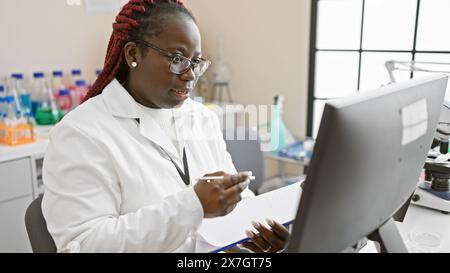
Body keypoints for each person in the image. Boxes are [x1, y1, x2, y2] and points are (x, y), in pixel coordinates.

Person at [42, 0, 289, 253]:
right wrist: (193, 206)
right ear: (133, 54)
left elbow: (234, 198)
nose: (190, 74)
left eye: (195, 62)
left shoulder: (202, 119)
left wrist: (257, 232)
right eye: (178, 58)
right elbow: (86, 245)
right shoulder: (80, 134)